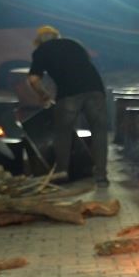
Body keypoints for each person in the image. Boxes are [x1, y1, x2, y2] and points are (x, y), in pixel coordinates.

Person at [27, 25, 109, 188]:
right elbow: (85, 63)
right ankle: (101, 177)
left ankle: (62, 172)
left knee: (63, 133)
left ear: (38, 41)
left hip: (69, 94)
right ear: (57, 36)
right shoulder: (74, 43)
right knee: (99, 132)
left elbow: (33, 80)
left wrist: (44, 95)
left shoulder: (41, 51)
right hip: (95, 89)